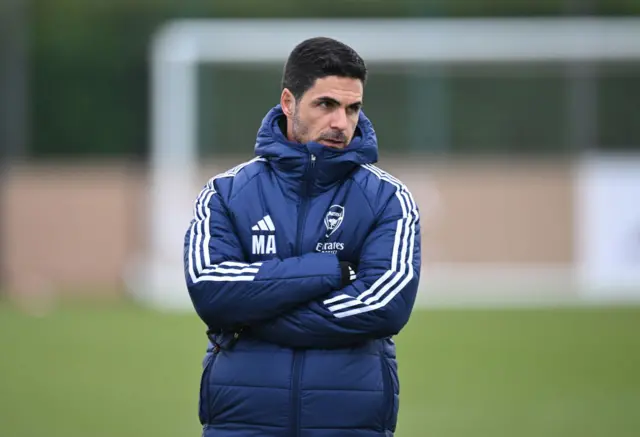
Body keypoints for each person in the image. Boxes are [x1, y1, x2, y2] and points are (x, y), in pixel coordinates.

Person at [184, 36, 421, 437]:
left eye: (352, 108)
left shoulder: (388, 199)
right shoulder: (226, 194)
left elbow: (386, 306)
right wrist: (330, 270)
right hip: (242, 424)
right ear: (289, 102)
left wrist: (256, 316)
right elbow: (211, 290)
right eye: (326, 104)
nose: (341, 123)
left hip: (349, 425)